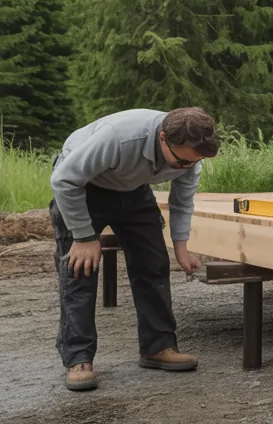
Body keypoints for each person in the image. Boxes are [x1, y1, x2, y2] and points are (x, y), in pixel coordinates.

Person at [48, 107, 219, 392]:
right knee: (80, 269)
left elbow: (182, 201)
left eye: (193, 163)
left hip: (133, 188)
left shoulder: (190, 157)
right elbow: (63, 180)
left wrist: (181, 247)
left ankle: (158, 347)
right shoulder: (118, 138)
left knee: (153, 264)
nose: (185, 168)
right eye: (180, 162)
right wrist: (84, 237)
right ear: (163, 139)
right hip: (83, 188)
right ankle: (78, 358)